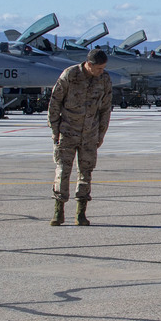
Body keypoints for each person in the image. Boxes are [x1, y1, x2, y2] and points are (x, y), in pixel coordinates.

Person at [47, 48, 113, 226]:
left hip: (90, 134)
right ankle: (58, 211)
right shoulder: (70, 75)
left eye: (103, 68)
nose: (101, 72)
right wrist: (55, 130)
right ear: (89, 64)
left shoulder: (104, 79)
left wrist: (101, 133)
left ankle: (80, 213)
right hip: (67, 133)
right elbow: (54, 103)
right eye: (98, 68)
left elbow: (105, 109)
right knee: (63, 171)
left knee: (86, 173)